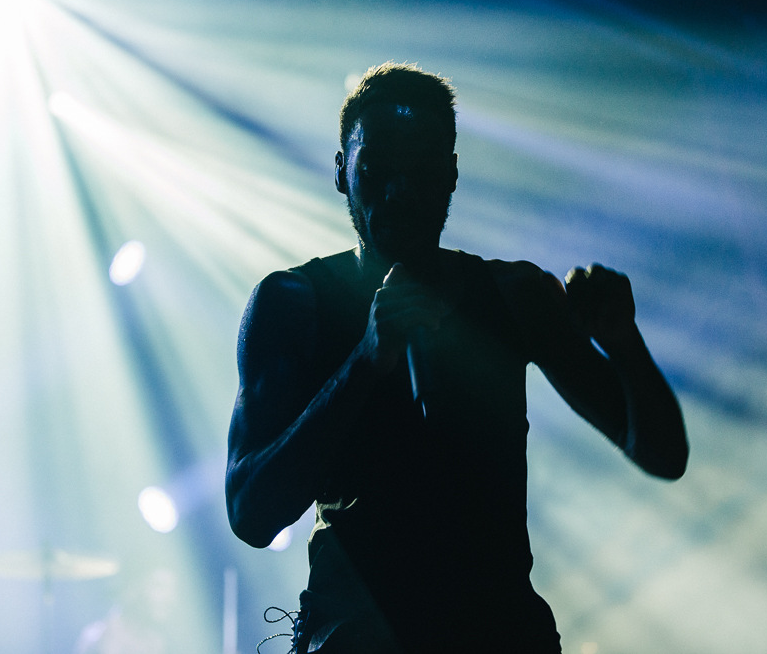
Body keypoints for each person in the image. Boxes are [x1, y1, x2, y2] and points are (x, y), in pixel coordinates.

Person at [226, 63, 688, 654]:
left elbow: (663, 454)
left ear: (450, 176)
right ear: (342, 171)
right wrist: (366, 359)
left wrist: (624, 344)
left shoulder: (514, 297)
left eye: (421, 171)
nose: (399, 192)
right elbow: (251, 512)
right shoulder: (294, 304)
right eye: (377, 170)